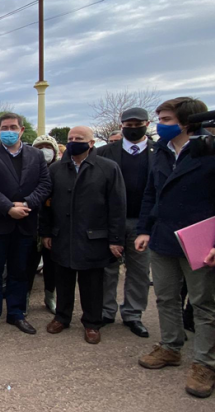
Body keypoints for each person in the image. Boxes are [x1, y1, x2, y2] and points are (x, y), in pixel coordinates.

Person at [135, 97, 215, 398]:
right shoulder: (161, 152)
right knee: (166, 297)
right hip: (163, 237)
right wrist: (144, 229)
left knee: (203, 304)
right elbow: (151, 193)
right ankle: (171, 347)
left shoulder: (208, 152)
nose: (160, 125)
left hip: (200, 240)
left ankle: (205, 363)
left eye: (166, 119)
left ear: (188, 121)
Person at [40, 126, 126, 345]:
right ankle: (62, 317)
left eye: (79, 138)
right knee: (64, 280)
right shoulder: (57, 169)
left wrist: (116, 239)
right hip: (63, 236)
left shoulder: (108, 168)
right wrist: (47, 233)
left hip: (93, 237)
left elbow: (117, 206)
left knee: (92, 283)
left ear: (91, 143)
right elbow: (46, 206)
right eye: (70, 138)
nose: (73, 141)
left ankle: (92, 323)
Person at [0, 113, 51, 335]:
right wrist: (9, 207)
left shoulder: (36, 155)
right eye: (4, 128)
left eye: (13, 127)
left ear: (21, 130)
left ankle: (17, 313)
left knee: (20, 271)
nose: (8, 131)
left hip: (26, 223)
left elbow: (45, 184)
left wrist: (27, 204)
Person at [97, 108, 154, 338]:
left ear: (147, 124)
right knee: (108, 268)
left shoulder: (158, 152)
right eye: (127, 124)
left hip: (143, 221)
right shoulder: (104, 153)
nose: (132, 128)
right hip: (111, 220)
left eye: (136, 124)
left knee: (139, 270)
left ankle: (133, 314)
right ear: (121, 126)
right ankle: (105, 310)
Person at [24, 134, 61, 315]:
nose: (44, 152)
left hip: (54, 226)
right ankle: (25, 297)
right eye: (39, 148)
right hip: (32, 225)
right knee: (28, 264)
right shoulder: (28, 170)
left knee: (52, 265)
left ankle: (50, 296)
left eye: (48, 147)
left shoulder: (60, 170)